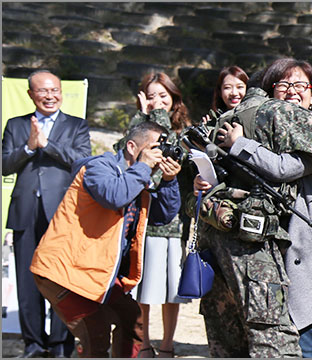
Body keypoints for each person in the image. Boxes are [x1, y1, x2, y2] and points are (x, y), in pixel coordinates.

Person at [190, 58, 312, 357]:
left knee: (308, 341)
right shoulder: (265, 123)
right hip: (268, 250)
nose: (293, 92)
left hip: (307, 250)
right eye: (285, 84)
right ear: (270, 90)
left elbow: (283, 168)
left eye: (301, 85)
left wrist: (240, 144)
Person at [30, 121, 181, 358]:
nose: (159, 155)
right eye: (154, 148)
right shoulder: (99, 167)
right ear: (132, 147)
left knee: (132, 319)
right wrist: (143, 168)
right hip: (62, 271)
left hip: (95, 273)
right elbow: (115, 196)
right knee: (95, 330)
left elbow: (162, 216)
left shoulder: (140, 176)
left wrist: (170, 181)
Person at [2, 70, 91, 358]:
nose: (50, 96)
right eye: (43, 91)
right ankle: (34, 345)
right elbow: (4, 164)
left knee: (61, 281)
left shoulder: (76, 125)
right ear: (31, 94)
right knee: (27, 283)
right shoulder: (16, 125)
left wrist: (47, 145)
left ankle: (61, 345)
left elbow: (81, 160)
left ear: (61, 92)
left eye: (55, 90)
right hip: (25, 211)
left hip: (63, 214)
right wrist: (29, 146)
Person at [116, 72, 193, 358]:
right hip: (143, 222)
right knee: (144, 288)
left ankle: (168, 345)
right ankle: (145, 343)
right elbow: (124, 153)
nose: (158, 103)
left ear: (174, 99)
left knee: (171, 290)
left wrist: (155, 115)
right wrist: (142, 117)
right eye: (151, 97)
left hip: (172, 225)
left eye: (163, 96)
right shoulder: (136, 129)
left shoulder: (184, 133)